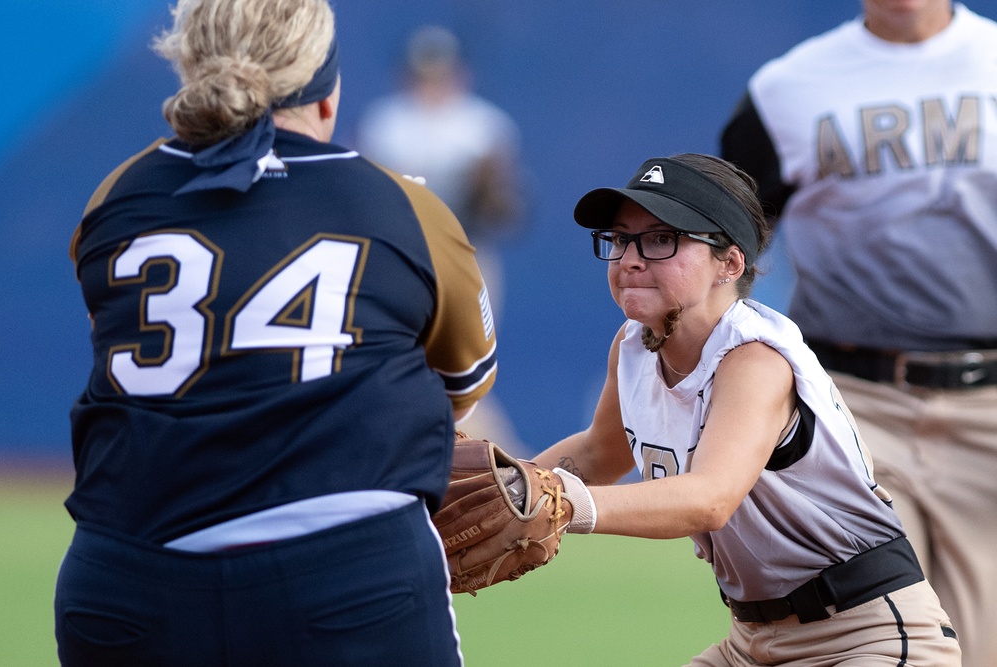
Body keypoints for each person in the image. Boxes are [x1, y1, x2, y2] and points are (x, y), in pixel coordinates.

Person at [55, 1, 496, 665]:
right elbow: (458, 385)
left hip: (126, 577)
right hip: (347, 579)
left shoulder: (115, 197)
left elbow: (122, 353)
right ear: (326, 94)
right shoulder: (404, 207)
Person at [532, 154, 961, 666]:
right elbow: (599, 452)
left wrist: (562, 503)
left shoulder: (754, 359)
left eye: (662, 238)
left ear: (730, 264)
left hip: (867, 635)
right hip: (752, 641)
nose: (630, 258)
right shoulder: (633, 345)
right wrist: (511, 485)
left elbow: (709, 498)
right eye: (621, 238)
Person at [719, 2, 997, 664]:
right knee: (876, 632)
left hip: (988, 404)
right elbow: (723, 246)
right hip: (850, 400)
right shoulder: (788, 90)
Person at [355, 24, 526, 454]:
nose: (432, 80)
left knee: (464, 371)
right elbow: (360, 199)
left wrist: (488, 189)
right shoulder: (385, 123)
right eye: (423, 71)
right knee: (406, 365)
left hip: (465, 258)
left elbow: (509, 214)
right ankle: (505, 467)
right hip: (397, 260)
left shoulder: (483, 128)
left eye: (440, 71)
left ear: (458, 72)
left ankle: (506, 467)